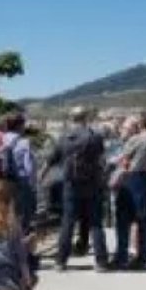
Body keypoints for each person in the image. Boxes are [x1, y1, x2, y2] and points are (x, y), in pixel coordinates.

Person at [47, 106, 110, 271]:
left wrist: (42, 174)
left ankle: (61, 261)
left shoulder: (64, 137)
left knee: (68, 222)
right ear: (86, 118)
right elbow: (102, 159)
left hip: (71, 184)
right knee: (95, 222)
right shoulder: (95, 137)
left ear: (71, 118)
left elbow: (52, 158)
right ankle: (101, 261)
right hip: (92, 183)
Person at [113, 111, 146, 270]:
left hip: (132, 181)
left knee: (123, 221)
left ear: (141, 124)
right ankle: (142, 258)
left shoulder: (136, 139)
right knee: (144, 223)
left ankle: (121, 256)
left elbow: (123, 158)